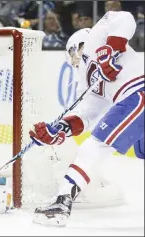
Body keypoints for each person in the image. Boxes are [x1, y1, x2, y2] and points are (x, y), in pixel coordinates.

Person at [30, 11, 144, 226]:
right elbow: (87, 113)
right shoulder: (91, 83)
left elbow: (124, 17)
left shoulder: (95, 38)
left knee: (93, 146)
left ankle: (61, 202)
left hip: (138, 94)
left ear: (74, 48)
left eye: (73, 58)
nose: (74, 64)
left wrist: (111, 47)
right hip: (136, 100)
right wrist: (58, 130)